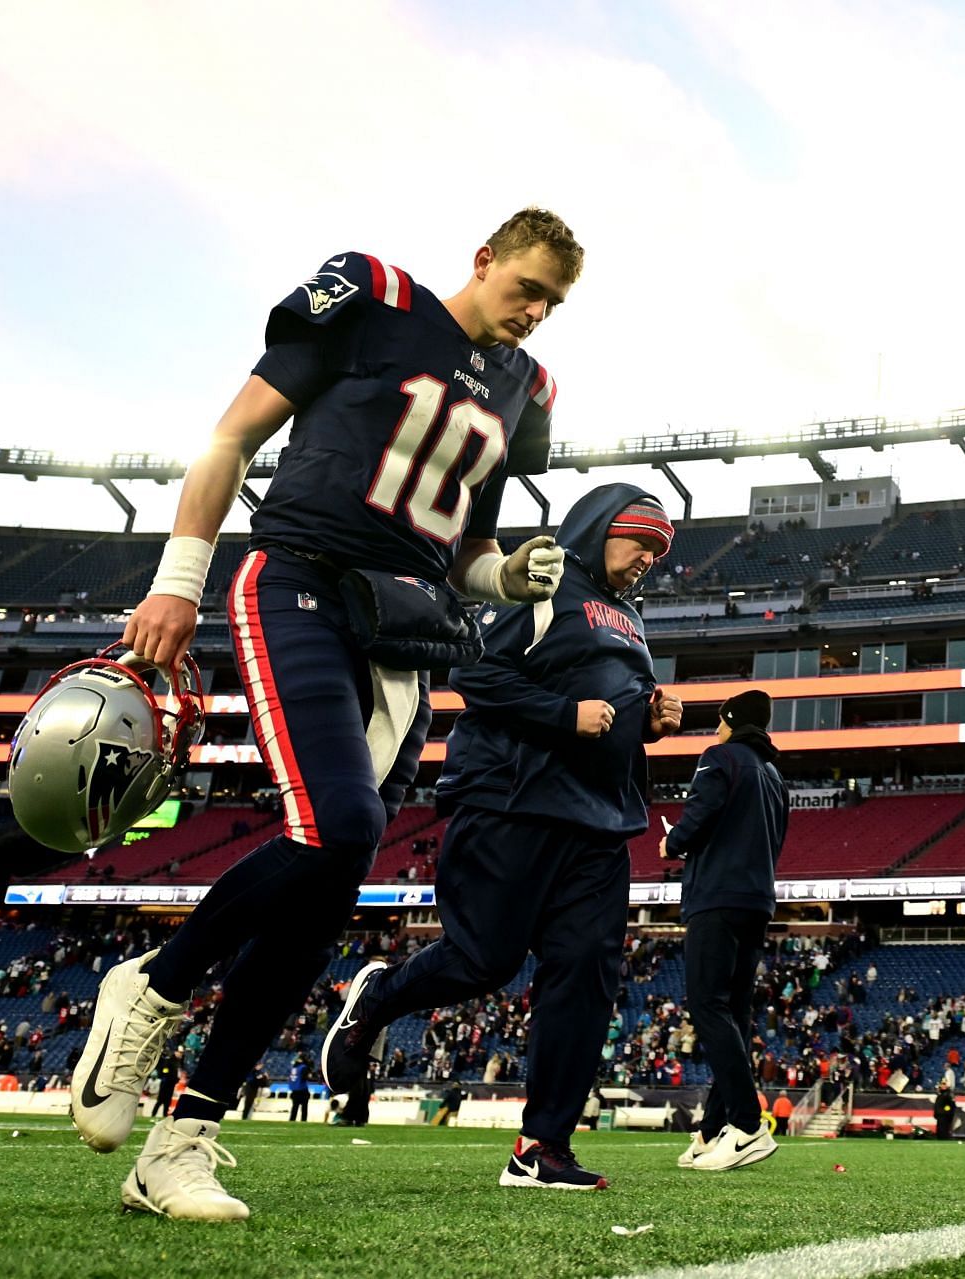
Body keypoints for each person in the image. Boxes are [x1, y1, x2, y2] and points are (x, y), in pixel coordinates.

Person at [73, 209, 583, 1222]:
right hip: (299, 577)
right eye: (526, 288)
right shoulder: (376, 297)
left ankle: (180, 1141)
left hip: (406, 628)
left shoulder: (529, 391)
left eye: (553, 304)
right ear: (482, 260)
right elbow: (235, 432)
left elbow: (459, 548)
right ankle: (157, 985)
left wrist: (505, 572)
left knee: (327, 887)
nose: (534, 315)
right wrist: (178, 578)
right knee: (338, 825)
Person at [321, 484, 682, 1191]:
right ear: (601, 526)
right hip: (513, 804)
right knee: (483, 959)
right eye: (638, 539)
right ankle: (378, 997)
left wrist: (652, 717)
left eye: (658, 550)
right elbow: (474, 671)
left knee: (585, 979)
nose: (648, 557)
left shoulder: (633, 619)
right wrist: (562, 714)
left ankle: (541, 1144)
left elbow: (609, 707)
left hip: (601, 823)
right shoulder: (541, 581)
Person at [663, 689, 788, 1172]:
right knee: (734, 1014)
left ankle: (748, 1125)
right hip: (757, 900)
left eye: (719, 721)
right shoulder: (775, 775)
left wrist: (671, 843)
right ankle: (713, 1131)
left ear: (731, 720)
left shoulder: (720, 757)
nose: (714, 729)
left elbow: (696, 820)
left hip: (717, 895)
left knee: (708, 1005)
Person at [286, 1053, 312, 1123]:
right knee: (304, 1107)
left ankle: (292, 1120)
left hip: (294, 1090)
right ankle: (303, 1120)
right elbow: (305, 1077)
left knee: (294, 1107)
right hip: (302, 1089)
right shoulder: (304, 1067)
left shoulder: (294, 1067)